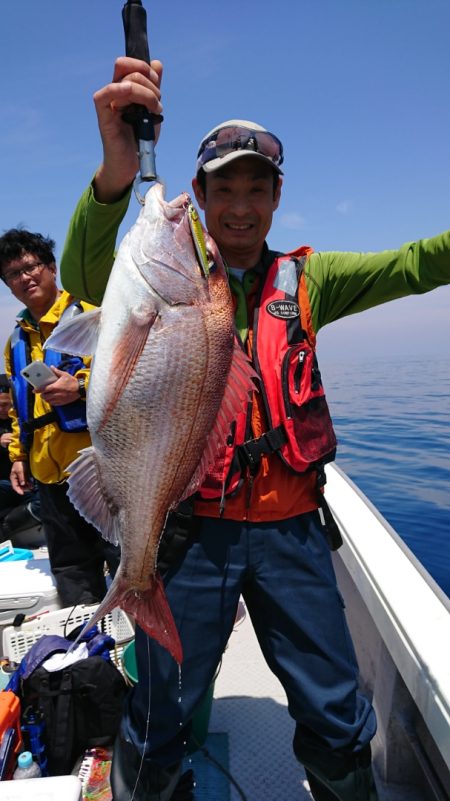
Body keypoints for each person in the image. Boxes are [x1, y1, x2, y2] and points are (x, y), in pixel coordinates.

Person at [59, 57, 450, 801]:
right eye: (223, 189)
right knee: (162, 706)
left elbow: (412, 264)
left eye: (256, 189)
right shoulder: (158, 268)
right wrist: (115, 171)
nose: (239, 207)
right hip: (189, 529)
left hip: (292, 530)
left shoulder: (310, 280)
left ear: (276, 197)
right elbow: (83, 271)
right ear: (199, 195)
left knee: (335, 706)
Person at [0, 229, 120, 606]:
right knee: (71, 570)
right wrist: (18, 456)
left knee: (121, 560)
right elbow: (19, 411)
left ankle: (142, 654)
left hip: (98, 469)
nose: (25, 278)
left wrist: (80, 389)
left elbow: (126, 380)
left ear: (52, 267)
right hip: (47, 474)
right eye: (13, 274)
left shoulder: (92, 318)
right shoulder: (15, 340)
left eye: (32, 266)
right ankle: (89, 659)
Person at [0, 372, 42, 544]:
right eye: (1, 406)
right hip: (2, 484)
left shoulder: (24, 419)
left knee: (47, 505)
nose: (4, 410)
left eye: (8, 405)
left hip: (29, 484)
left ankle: (7, 527)